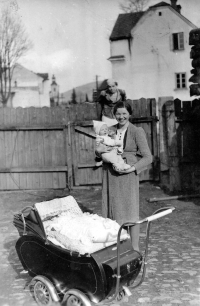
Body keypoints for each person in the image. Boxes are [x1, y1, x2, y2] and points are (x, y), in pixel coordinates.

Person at [95, 100, 153, 252]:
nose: (121, 117)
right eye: (118, 114)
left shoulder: (136, 131)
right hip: (110, 174)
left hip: (127, 175)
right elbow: (98, 149)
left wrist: (133, 168)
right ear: (114, 115)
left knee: (130, 211)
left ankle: (134, 248)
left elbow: (148, 157)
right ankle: (117, 247)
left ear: (130, 114)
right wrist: (99, 150)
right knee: (112, 210)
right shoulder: (109, 129)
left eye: (124, 114)